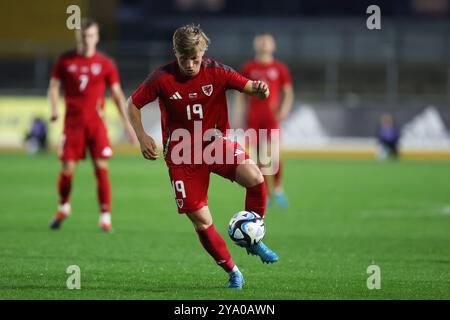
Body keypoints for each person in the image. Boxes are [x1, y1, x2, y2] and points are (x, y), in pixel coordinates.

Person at [127, 24, 278, 289]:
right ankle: (233, 272)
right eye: (183, 58)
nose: (189, 64)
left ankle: (252, 235)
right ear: (175, 53)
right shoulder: (162, 78)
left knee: (256, 177)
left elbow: (250, 87)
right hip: (182, 156)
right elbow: (133, 104)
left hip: (214, 144)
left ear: (203, 51)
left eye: (194, 58)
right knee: (202, 221)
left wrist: (260, 90)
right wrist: (142, 137)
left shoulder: (218, 71)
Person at [48, 18, 135, 232]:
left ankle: (105, 216)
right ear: (78, 37)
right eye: (83, 36)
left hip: (96, 124)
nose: (87, 40)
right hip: (72, 125)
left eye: (91, 36)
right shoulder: (65, 61)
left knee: (101, 167)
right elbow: (53, 87)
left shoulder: (106, 63)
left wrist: (127, 123)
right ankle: (63, 206)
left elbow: (116, 94)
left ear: (97, 38)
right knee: (67, 169)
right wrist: (54, 109)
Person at [233, 34, 294, 208]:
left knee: (273, 155)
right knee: (258, 157)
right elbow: (240, 94)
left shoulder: (280, 68)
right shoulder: (249, 67)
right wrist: (238, 114)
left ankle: (278, 188)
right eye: (261, 41)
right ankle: (264, 192)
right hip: (253, 118)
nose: (264, 44)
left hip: (271, 119)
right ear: (255, 45)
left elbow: (288, 93)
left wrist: (284, 109)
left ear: (273, 46)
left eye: (267, 41)